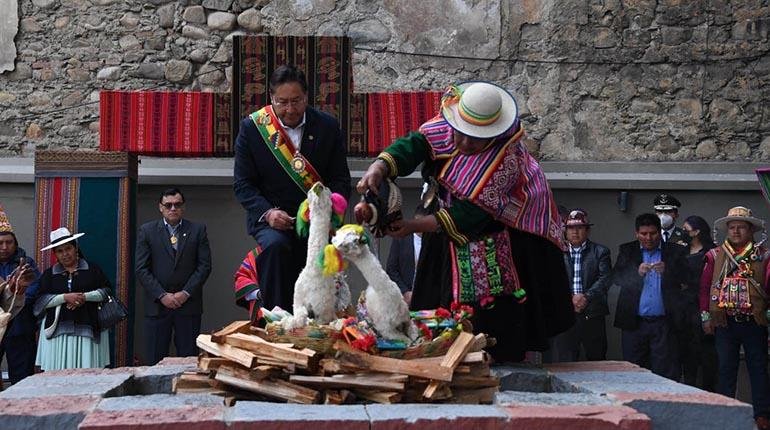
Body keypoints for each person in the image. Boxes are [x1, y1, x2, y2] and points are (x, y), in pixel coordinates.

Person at [357, 81, 573, 362]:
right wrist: (379, 167)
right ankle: (434, 350)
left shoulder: (505, 161)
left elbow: (470, 214)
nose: (464, 143)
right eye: (461, 134)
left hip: (499, 228)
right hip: (445, 218)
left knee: (488, 303)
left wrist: (412, 227)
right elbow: (416, 145)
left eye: (475, 139)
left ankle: (491, 358)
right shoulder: (449, 123)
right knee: (437, 289)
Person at [233, 64, 351, 313]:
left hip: (315, 219)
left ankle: (318, 322)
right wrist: (268, 213)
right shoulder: (253, 129)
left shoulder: (327, 127)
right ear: (271, 98)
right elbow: (243, 185)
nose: (289, 109)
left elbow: (340, 180)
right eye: (282, 102)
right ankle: (278, 321)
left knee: (320, 254)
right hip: (272, 219)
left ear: (307, 96)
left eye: (296, 101)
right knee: (276, 248)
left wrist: (327, 213)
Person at [699, 206, 770, 429]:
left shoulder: (764, 256)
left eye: (741, 227)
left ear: (751, 231)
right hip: (725, 322)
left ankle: (762, 415)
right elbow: (704, 288)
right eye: (732, 227)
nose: (736, 231)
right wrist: (706, 317)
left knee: (758, 369)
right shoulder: (714, 255)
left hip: (754, 323)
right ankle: (726, 413)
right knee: (725, 368)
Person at [136, 188, 211, 365]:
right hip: (157, 306)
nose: (173, 208)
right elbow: (141, 268)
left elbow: (204, 266)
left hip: (188, 305)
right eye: (168, 205)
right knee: (155, 357)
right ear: (160, 207)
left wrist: (185, 293)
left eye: (177, 205)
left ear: (183, 207)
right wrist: (162, 295)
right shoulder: (147, 231)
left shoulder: (197, 230)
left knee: (188, 357)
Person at [613, 213, 689, 380]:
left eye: (653, 233)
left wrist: (667, 271)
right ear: (636, 234)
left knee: (666, 373)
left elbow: (688, 279)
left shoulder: (675, 251)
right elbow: (616, 278)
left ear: (659, 232)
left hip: (664, 324)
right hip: (634, 324)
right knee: (634, 372)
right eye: (644, 234)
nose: (648, 238)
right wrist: (636, 272)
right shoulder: (627, 250)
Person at [33, 228, 110, 370]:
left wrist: (84, 297)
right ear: (55, 254)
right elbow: (40, 302)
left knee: (86, 372)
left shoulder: (92, 270)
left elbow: (106, 292)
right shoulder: (49, 275)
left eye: (68, 248)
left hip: (87, 328)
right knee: (58, 375)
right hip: (58, 332)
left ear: (75, 248)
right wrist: (65, 298)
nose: (65, 254)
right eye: (60, 251)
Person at [547, 209, 612, 361]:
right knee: (565, 360)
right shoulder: (556, 252)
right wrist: (570, 299)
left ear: (587, 230)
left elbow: (606, 278)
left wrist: (586, 297)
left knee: (596, 360)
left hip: (593, 314)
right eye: (570, 228)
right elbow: (552, 281)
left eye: (579, 228)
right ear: (565, 231)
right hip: (565, 313)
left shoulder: (600, 252)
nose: (574, 232)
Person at [0, 204, 40, 385]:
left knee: (21, 379)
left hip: (20, 328)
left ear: (15, 244)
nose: (4, 246)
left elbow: (34, 289)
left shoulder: (26, 263)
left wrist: (17, 294)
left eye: (9, 242)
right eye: (0, 243)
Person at [680, 215, 717, 389]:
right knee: (687, 356)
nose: (683, 232)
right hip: (684, 310)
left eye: (686, 229)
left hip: (703, 307)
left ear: (696, 231)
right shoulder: (681, 251)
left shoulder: (712, 252)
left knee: (707, 357)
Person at [385, 205, 430, 306]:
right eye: (418, 221)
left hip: (427, 298)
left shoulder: (434, 242)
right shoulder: (401, 238)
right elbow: (391, 269)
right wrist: (405, 292)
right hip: (404, 299)